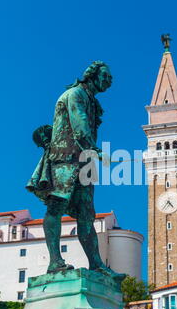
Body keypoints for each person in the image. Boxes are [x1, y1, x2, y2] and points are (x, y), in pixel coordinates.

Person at [27, 61, 125, 281]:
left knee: (86, 216)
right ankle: (55, 262)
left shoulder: (93, 102)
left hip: (84, 161)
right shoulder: (75, 94)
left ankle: (97, 265)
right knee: (57, 205)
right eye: (106, 76)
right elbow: (79, 123)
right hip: (65, 157)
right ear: (92, 75)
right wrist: (95, 150)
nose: (109, 81)